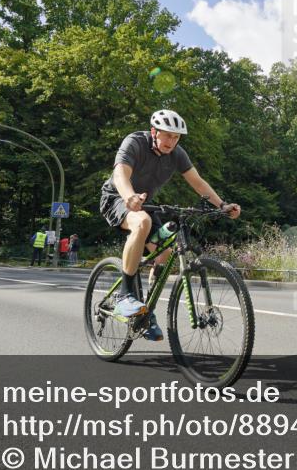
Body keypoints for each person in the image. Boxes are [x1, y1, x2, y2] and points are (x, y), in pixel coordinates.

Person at [99, 109, 241, 341]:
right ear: (154, 131)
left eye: (176, 137)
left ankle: (145, 313)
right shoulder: (135, 142)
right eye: (167, 135)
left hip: (146, 203)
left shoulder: (177, 154)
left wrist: (222, 205)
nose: (171, 142)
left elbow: (198, 182)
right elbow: (120, 175)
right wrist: (129, 197)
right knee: (142, 222)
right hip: (117, 198)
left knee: (164, 252)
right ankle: (125, 295)